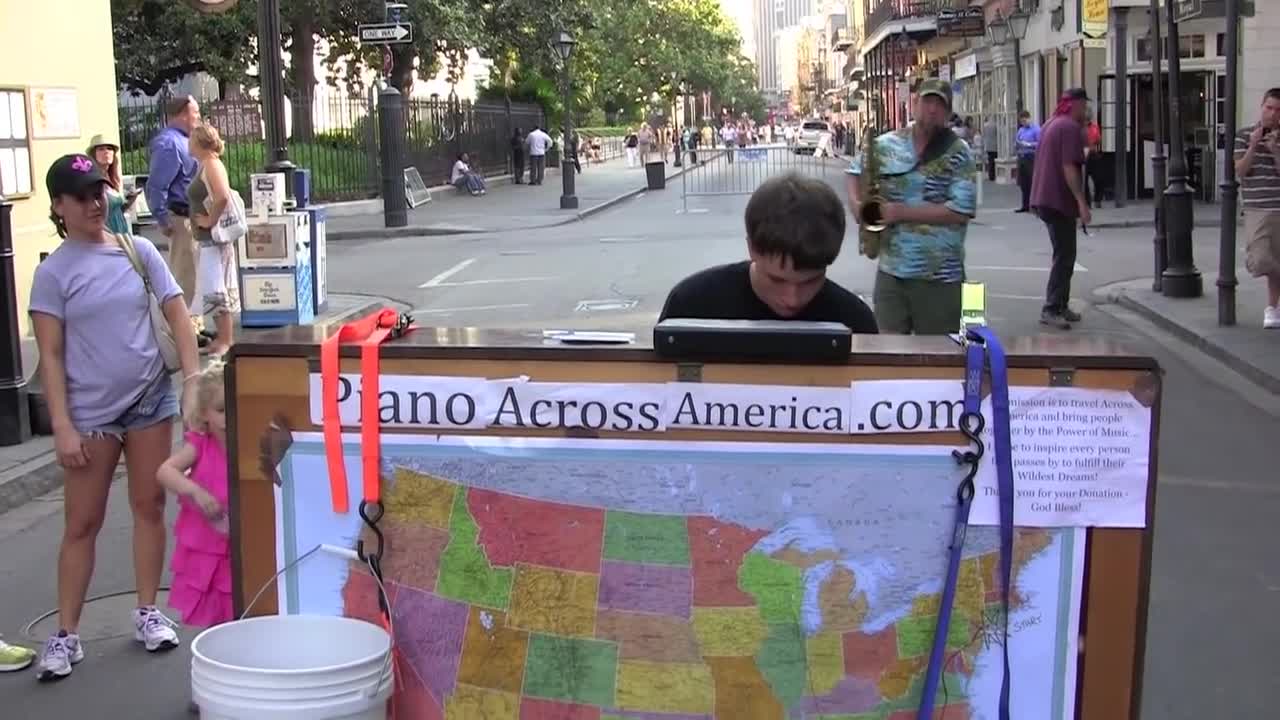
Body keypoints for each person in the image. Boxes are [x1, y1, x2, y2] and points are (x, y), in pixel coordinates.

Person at [30, 154, 201, 682]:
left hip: (150, 398)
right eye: (80, 197)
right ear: (59, 206)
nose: (94, 203)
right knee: (82, 522)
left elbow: (178, 315)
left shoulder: (138, 249)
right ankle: (66, 634)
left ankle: (148, 611)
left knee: (149, 505)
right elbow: (51, 356)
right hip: (89, 413)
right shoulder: (52, 273)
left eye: (99, 191)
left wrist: (193, 383)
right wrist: (61, 424)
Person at [659, 173, 878, 334]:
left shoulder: (855, 321)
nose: (792, 299)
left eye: (810, 282)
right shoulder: (691, 306)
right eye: (776, 280)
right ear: (752, 248)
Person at [846, 79, 977, 335]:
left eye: (940, 105)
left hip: (941, 278)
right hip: (891, 274)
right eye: (927, 101)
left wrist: (899, 212)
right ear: (914, 103)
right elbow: (853, 172)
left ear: (948, 113)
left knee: (941, 359)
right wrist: (858, 208)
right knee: (889, 355)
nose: (932, 110)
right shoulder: (887, 144)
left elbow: (961, 212)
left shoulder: (959, 152)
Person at [158, 361, 232, 629]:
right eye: (221, 410)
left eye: (235, 408)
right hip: (208, 544)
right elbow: (166, 471)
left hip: (241, 544)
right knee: (213, 610)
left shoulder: (251, 443)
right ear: (204, 414)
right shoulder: (200, 445)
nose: (229, 418)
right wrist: (196, 491)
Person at [1029, 88, 1093, 329]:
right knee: (1065, 255)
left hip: (1045, 197)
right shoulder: (1068, 128)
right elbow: (1069, 168)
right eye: (1084, 105)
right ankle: (1052, 307)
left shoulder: (1050, 124)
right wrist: (1081, 202)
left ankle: (1061, 304)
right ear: (1076, 105)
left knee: (1065, 253)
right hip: (1057, 199)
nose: (1085, 110)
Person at [145, 95, 201, 315]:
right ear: (183, 114)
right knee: (183, 277)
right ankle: (176, 330)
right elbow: (157, 184)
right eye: (195, 112)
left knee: (190, 276)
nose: (198, 117)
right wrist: (162, 217)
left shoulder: (183, 141)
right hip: (180, 217)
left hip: (190, 216)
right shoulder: (169, 144)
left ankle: (189, 325)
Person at [188, 124, 241, 356]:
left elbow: (222, 196)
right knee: (212, 289)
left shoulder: (211, 165)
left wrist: (209, 221)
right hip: (208, 238)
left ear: (200, 142)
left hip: (213, 239)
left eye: (191, 139)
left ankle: (226, 340)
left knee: (217, 289)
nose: (188, 143)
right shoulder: (208, 164)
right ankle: (221, 337)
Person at [1235, 87, 1280, 328]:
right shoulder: (1244, 135)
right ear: (1262, 106)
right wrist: (1254, 146)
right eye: (1269, 108)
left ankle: (1273, 309)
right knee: (1262, 260)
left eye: (1278, 110)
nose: (1272, 114)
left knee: (1276, 258)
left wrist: (1275, 150)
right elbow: (1240, 170)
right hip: (1256, 207)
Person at [87, 134, 138, 235]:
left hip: (121, 231)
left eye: (110, 149)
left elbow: (115, 210)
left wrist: (128, 201)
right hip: (105, 234)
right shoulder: (91, 180)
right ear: (93, 154)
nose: (106, 152)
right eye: (101, 149)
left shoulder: (113, 178)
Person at [1015, 110, 1040, 213]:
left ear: (1029, 118)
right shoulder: (1020, 130)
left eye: (1025, 120)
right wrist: (1017, 145)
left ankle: (1034, 205)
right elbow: (1016, 141)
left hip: (1031, 156)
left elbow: (1040, 143)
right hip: (1022, 157)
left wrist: (1029, 145)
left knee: (1032, 181)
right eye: (1022, 121)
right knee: (1023, 183)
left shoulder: (1036, 129)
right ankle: (1025, 205)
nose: (1023, 123)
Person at [982, 116, 999, 182]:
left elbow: (983, 135)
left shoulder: (985, 125)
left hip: (988, 145)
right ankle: (994, 175)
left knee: (990, 160)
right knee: (994, 160)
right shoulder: (996, 125)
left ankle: (991, 175)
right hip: (995, 145)